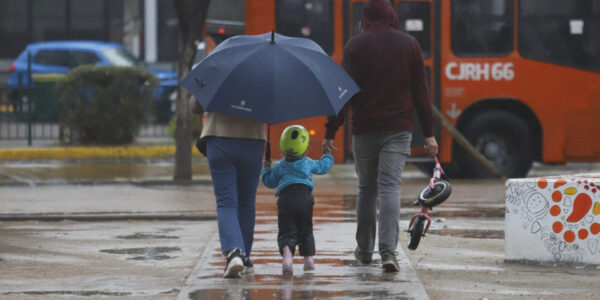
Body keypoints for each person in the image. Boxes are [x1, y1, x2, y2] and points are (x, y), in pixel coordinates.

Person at [321, 0, 438, 272]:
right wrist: (429, 134)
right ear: (391, 17)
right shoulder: (409, 44)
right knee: (389, 188)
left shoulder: (355, 46)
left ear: (366, 19)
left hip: (364, 128)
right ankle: (388, 253)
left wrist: (331, 130)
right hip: (399, 128)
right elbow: (422, 92)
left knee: (366, 189)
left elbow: (344, 92)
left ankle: (363, 251)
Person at [189, 96, 266, 278]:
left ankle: (234, 253)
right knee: (247, 203)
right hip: (253, 139)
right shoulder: (264, 72)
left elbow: (195, 106)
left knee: (226, 201)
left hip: (220, 138)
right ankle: (244, 257)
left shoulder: (218, 69)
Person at [261, 125, 334, 275]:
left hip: (286, 199)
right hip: (305, 199)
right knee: (306, 229)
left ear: (282, 148)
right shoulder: (308, 162)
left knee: (287, 230)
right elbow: (323, 167)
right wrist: (327, 155)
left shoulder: (280, 166)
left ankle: (288, 257)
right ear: (305, 148)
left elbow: (269, 182)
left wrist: (266, 168)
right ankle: (308, 260)